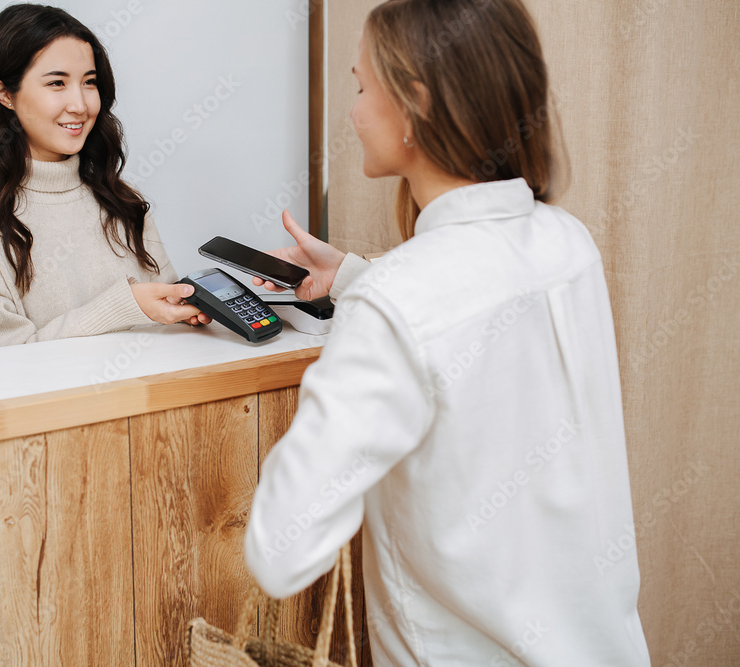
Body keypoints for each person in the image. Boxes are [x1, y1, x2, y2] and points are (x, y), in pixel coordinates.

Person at [244, 1, 651, 665]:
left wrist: (360, 322)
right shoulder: (568, 244)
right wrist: (351, 276)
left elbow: (279, 547)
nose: (352, 111)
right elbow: (467, 313)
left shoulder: (395, 302)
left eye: (360, 86)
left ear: (414, 105)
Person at [0, 4, 209, 352]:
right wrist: (123, 306)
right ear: (4, 94)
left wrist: (192, 308)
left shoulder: (122, 199)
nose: (79, 104)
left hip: (150, 401)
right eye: (57, 83)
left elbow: (168, 320)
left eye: (89, 82)